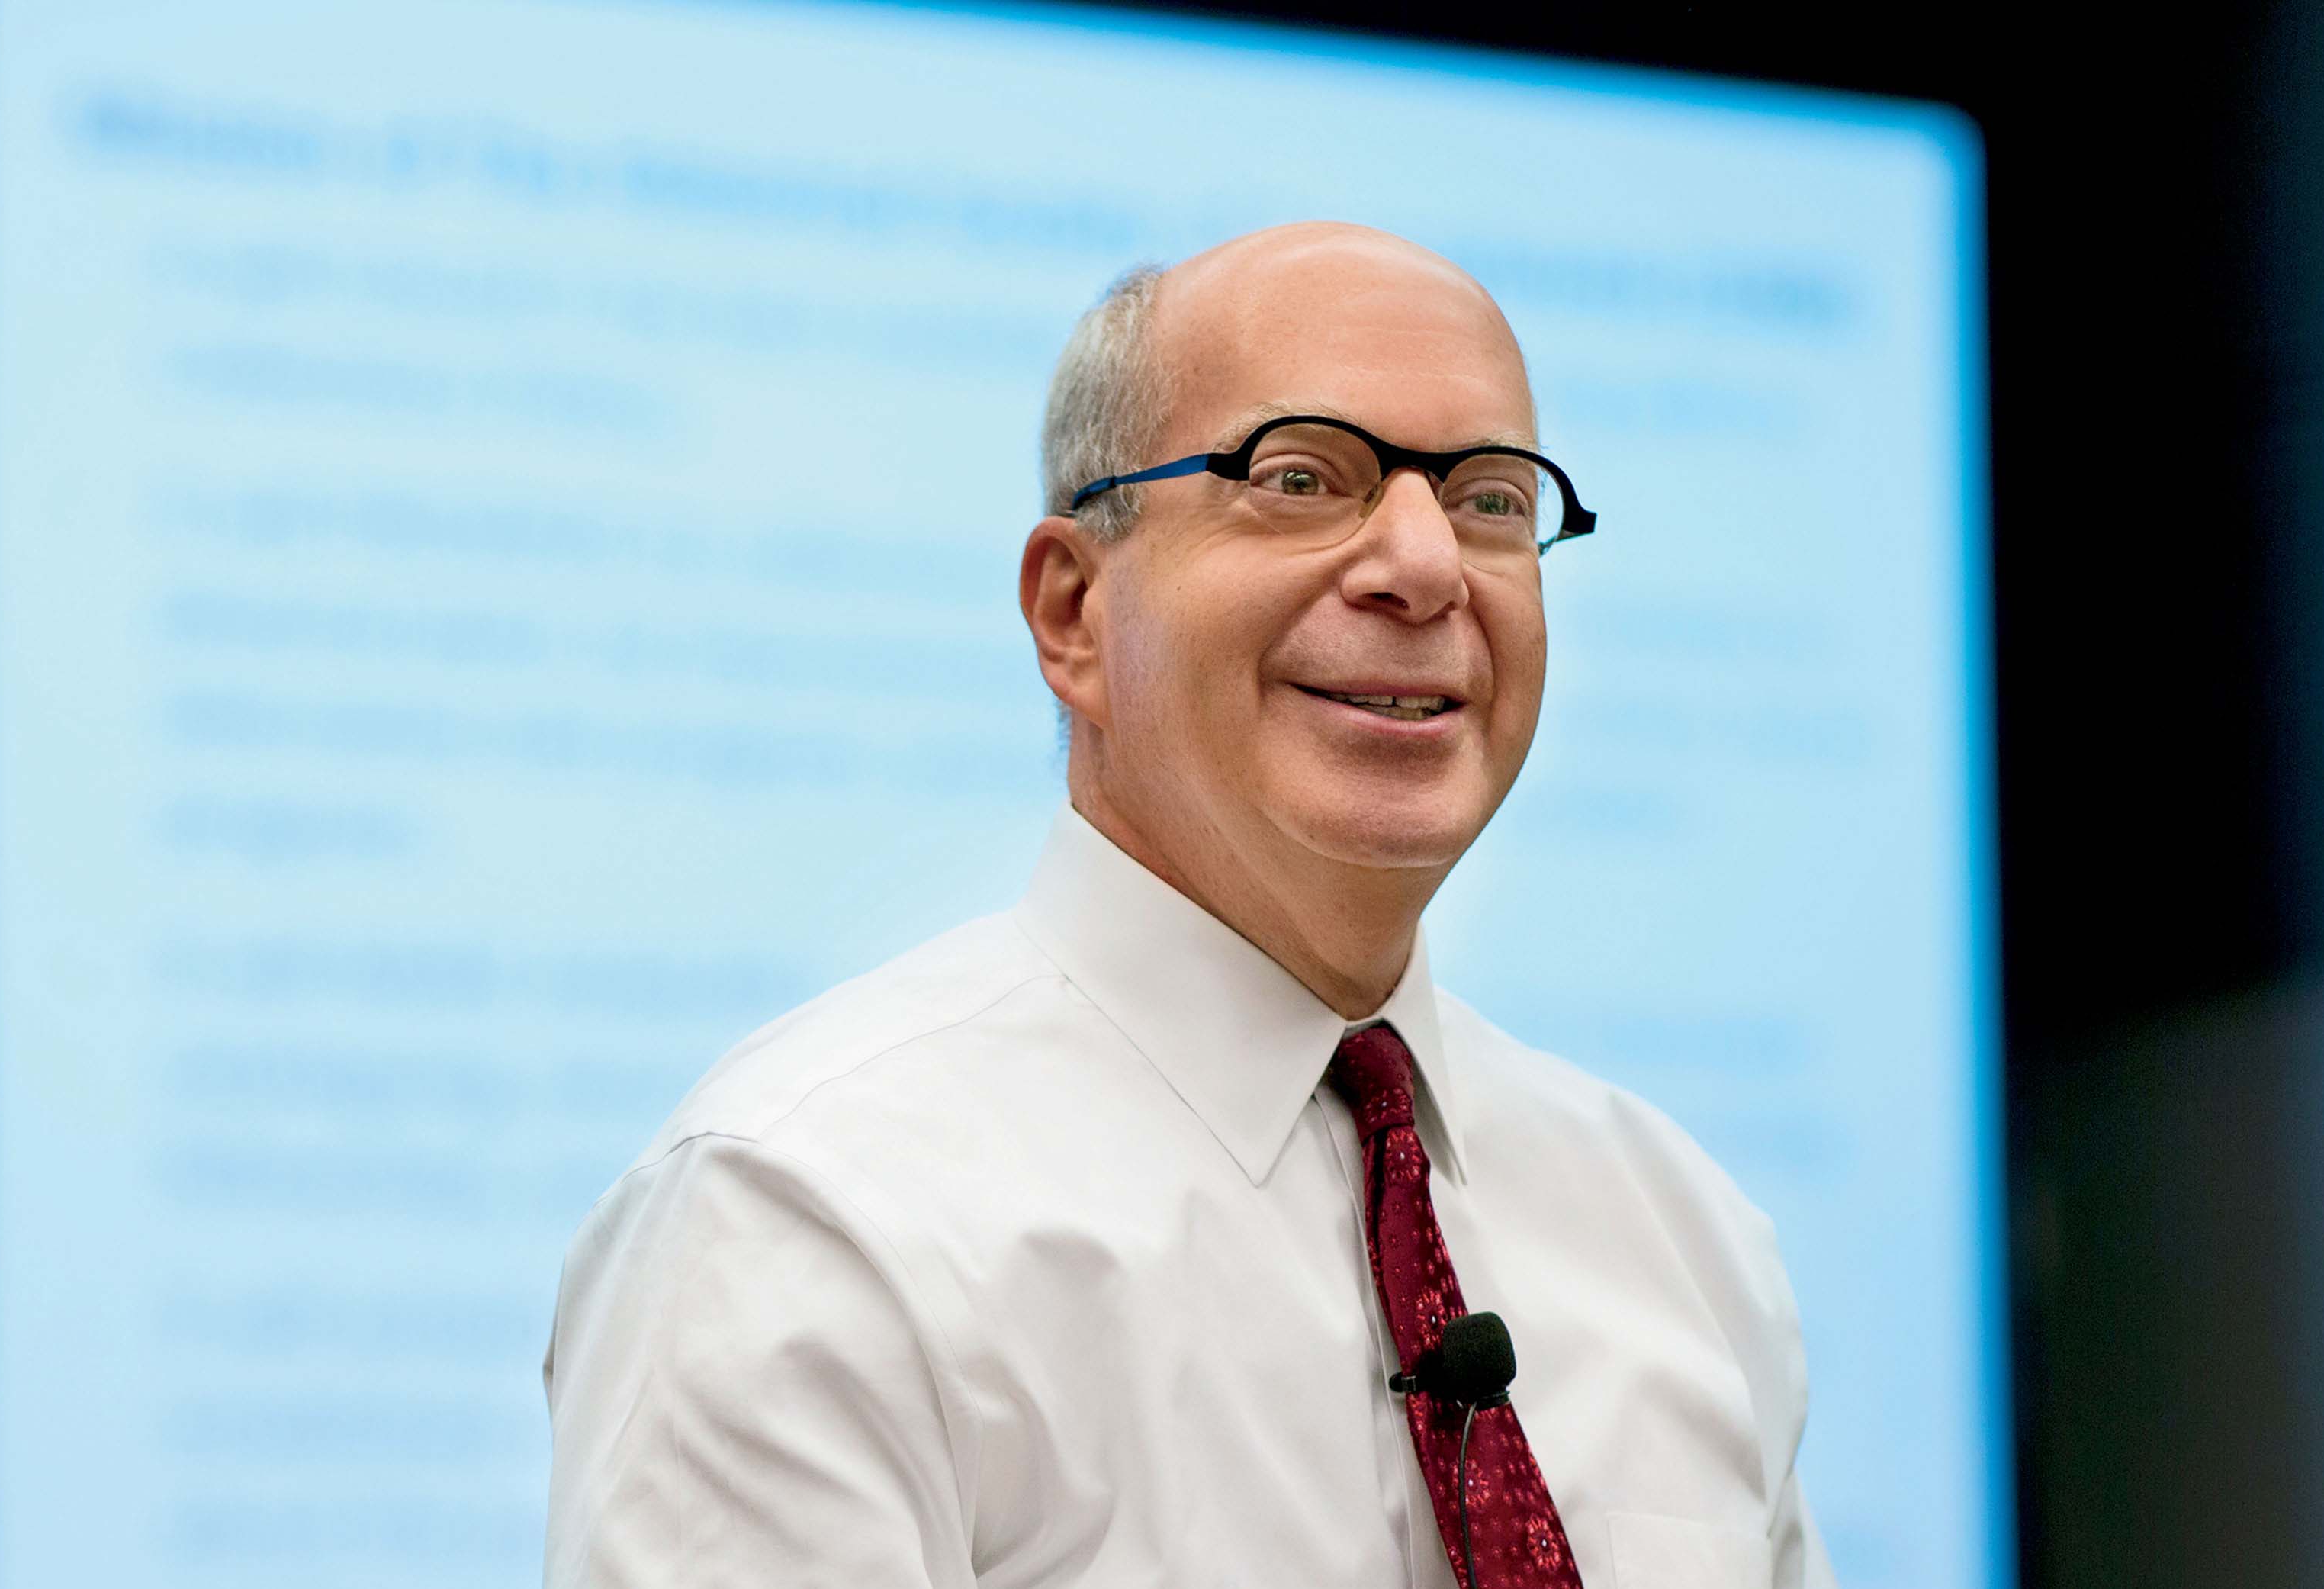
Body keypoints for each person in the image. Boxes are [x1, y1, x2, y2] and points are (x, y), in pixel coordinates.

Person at [541, 222, 1831, 1588]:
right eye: (1299, 477)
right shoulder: (808, 1213)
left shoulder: (1682, 1234)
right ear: (1074, 612)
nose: (1426, 564)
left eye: (1492, 502)